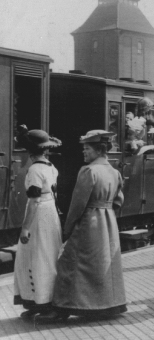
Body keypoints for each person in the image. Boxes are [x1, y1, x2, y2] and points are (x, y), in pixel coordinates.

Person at [38, 130, 126, 322]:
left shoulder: (88, 171)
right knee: (102, 265)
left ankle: (62, 308)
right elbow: (119, 201)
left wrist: (67, 228)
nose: (84, 153)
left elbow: (78, 205)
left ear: (98, 150)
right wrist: (106, 210)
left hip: (89, 222)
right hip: (108, 222)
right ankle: (105, 305)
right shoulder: (114, 172)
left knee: (69, 262)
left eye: (87, 149)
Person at [13, 127, 62, 319]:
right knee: (48, 256)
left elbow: (33, 201)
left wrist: (25, 228)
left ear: (29, 151)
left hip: (39, 214)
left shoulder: (34, 170)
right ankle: (45, 300)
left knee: (35, 257)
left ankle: (41, 302)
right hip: (50, 213)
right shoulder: (51, 166)